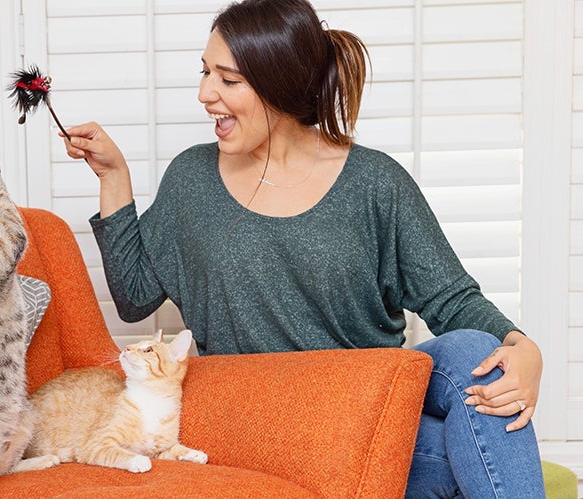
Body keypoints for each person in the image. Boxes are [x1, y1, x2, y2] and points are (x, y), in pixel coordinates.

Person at [60, 0, 545, 496]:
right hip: (258, 420)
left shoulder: (375, 183)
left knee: (475, 351)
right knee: (456, 451)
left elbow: (453, 300)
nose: (205, 94)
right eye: (205, 73)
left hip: (363, 410)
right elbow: (135, 296)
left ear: (279, 84)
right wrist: (113, 177)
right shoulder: (192, 180)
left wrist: (522, 346)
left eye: (228, 80)